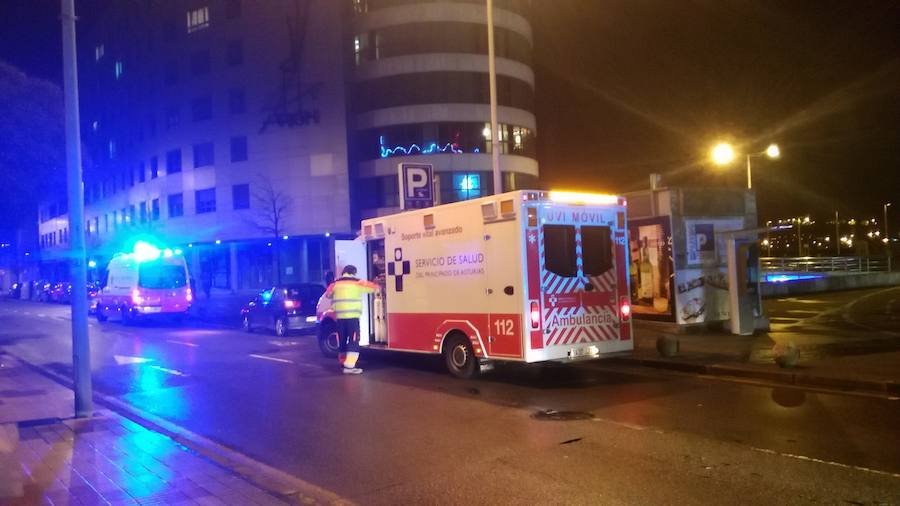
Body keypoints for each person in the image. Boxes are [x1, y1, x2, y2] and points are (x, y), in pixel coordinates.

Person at [324, 265, 376, 375]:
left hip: (340, 318)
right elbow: (373, 288)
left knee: (342, 340)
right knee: (354, 340)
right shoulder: (357, 282)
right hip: (352, 317)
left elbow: (328, 294)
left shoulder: (335, 283)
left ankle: (343, 362)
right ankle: (350, 366)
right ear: (353, 273)